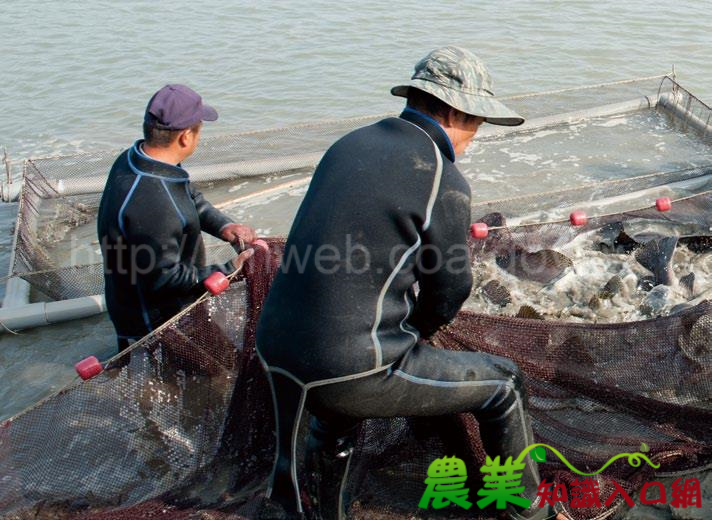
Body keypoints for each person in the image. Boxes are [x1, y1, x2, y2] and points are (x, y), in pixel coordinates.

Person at [255, 47, 570, 520]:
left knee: (336, 417)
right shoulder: (442, 176)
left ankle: (326, 510)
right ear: (453, 110)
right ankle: (531, 511)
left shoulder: (350, 143)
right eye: (477, 123)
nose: (473, 138)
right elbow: (450, 288)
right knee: (504, 382)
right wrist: (417, 333)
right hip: (350, 370)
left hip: (275, 349)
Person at [98, 84, 255, 351]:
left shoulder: (137, 159)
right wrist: (230, 269)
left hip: (130, 294)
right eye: (199, 130)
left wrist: (224, 226)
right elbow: (163, 278)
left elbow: (187, 195)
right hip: (154, 321)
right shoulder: (152, 201)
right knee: (217, 368)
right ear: (185, 137)